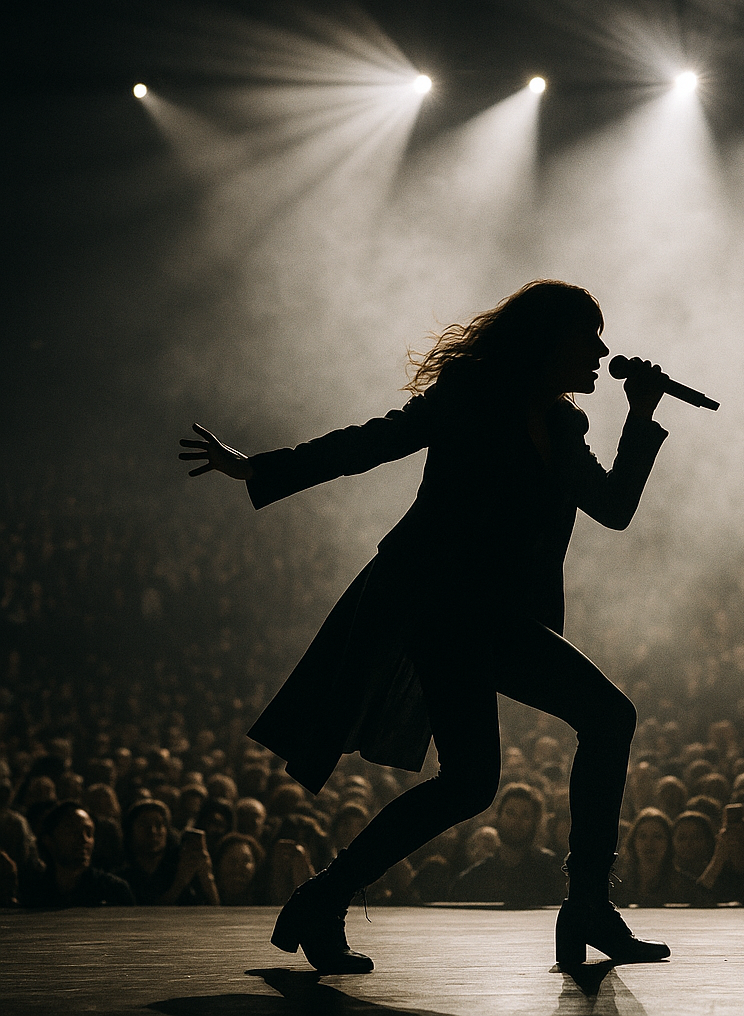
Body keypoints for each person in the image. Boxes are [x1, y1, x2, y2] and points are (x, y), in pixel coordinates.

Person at [179, 280, 675, 972]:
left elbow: (614, 508)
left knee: (480, 778)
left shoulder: (564, 426)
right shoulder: (472, 395)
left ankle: (328, 897)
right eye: (587, 338)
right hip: (438, 608)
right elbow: (376, 441)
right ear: (547, 341)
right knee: (599, 720)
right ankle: (585, 906)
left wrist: (640, 416)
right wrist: (259, 469)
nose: (602, 353)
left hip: (493, 618)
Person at [450, 782, 565, 907]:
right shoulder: (473, 879)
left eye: (525, 815)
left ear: (535, 821)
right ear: (498, 816)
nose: (517, 821)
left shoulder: (552, 871)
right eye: (510, 813)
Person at [19, 801, 135, 908]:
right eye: (73, 832)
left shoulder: (113, 890)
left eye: (89, 833)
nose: (84, 839)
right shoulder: (32, 890)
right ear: (49, 840)